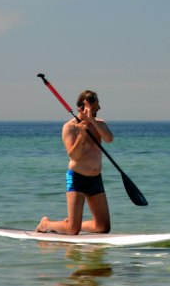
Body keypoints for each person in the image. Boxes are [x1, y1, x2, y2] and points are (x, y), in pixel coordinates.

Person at [36, 90, 114, 234]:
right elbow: (74, 156)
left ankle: (73, 222)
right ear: (81, 108)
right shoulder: (69, 127)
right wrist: (81, 135)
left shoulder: (100, 124)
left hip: (95, 179)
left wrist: (92, 121)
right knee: (73, 231)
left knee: (103, 228)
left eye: (97, 107)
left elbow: (109, 139)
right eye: (95, 107)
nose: (98, 109)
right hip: (77, 178)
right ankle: (46, 224)